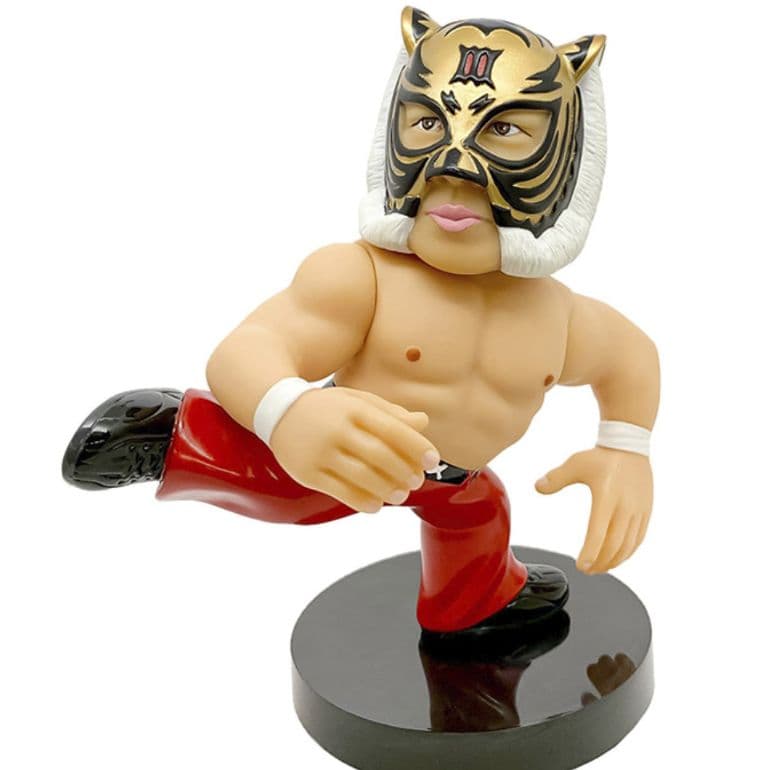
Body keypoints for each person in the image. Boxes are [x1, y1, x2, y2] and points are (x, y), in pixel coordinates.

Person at [62, 8, 659, 642]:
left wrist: (625, 450)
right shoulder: (362, 277)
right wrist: (291, 413)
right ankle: (172, 433)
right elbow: (251, 348)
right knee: (287, 493)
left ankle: (474, 607)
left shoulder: (560, 316)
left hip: (450, 477)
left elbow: (632, 359)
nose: (454, 169)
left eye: (506, 130)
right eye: (428, 123)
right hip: (354, 453)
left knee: (479, 508)